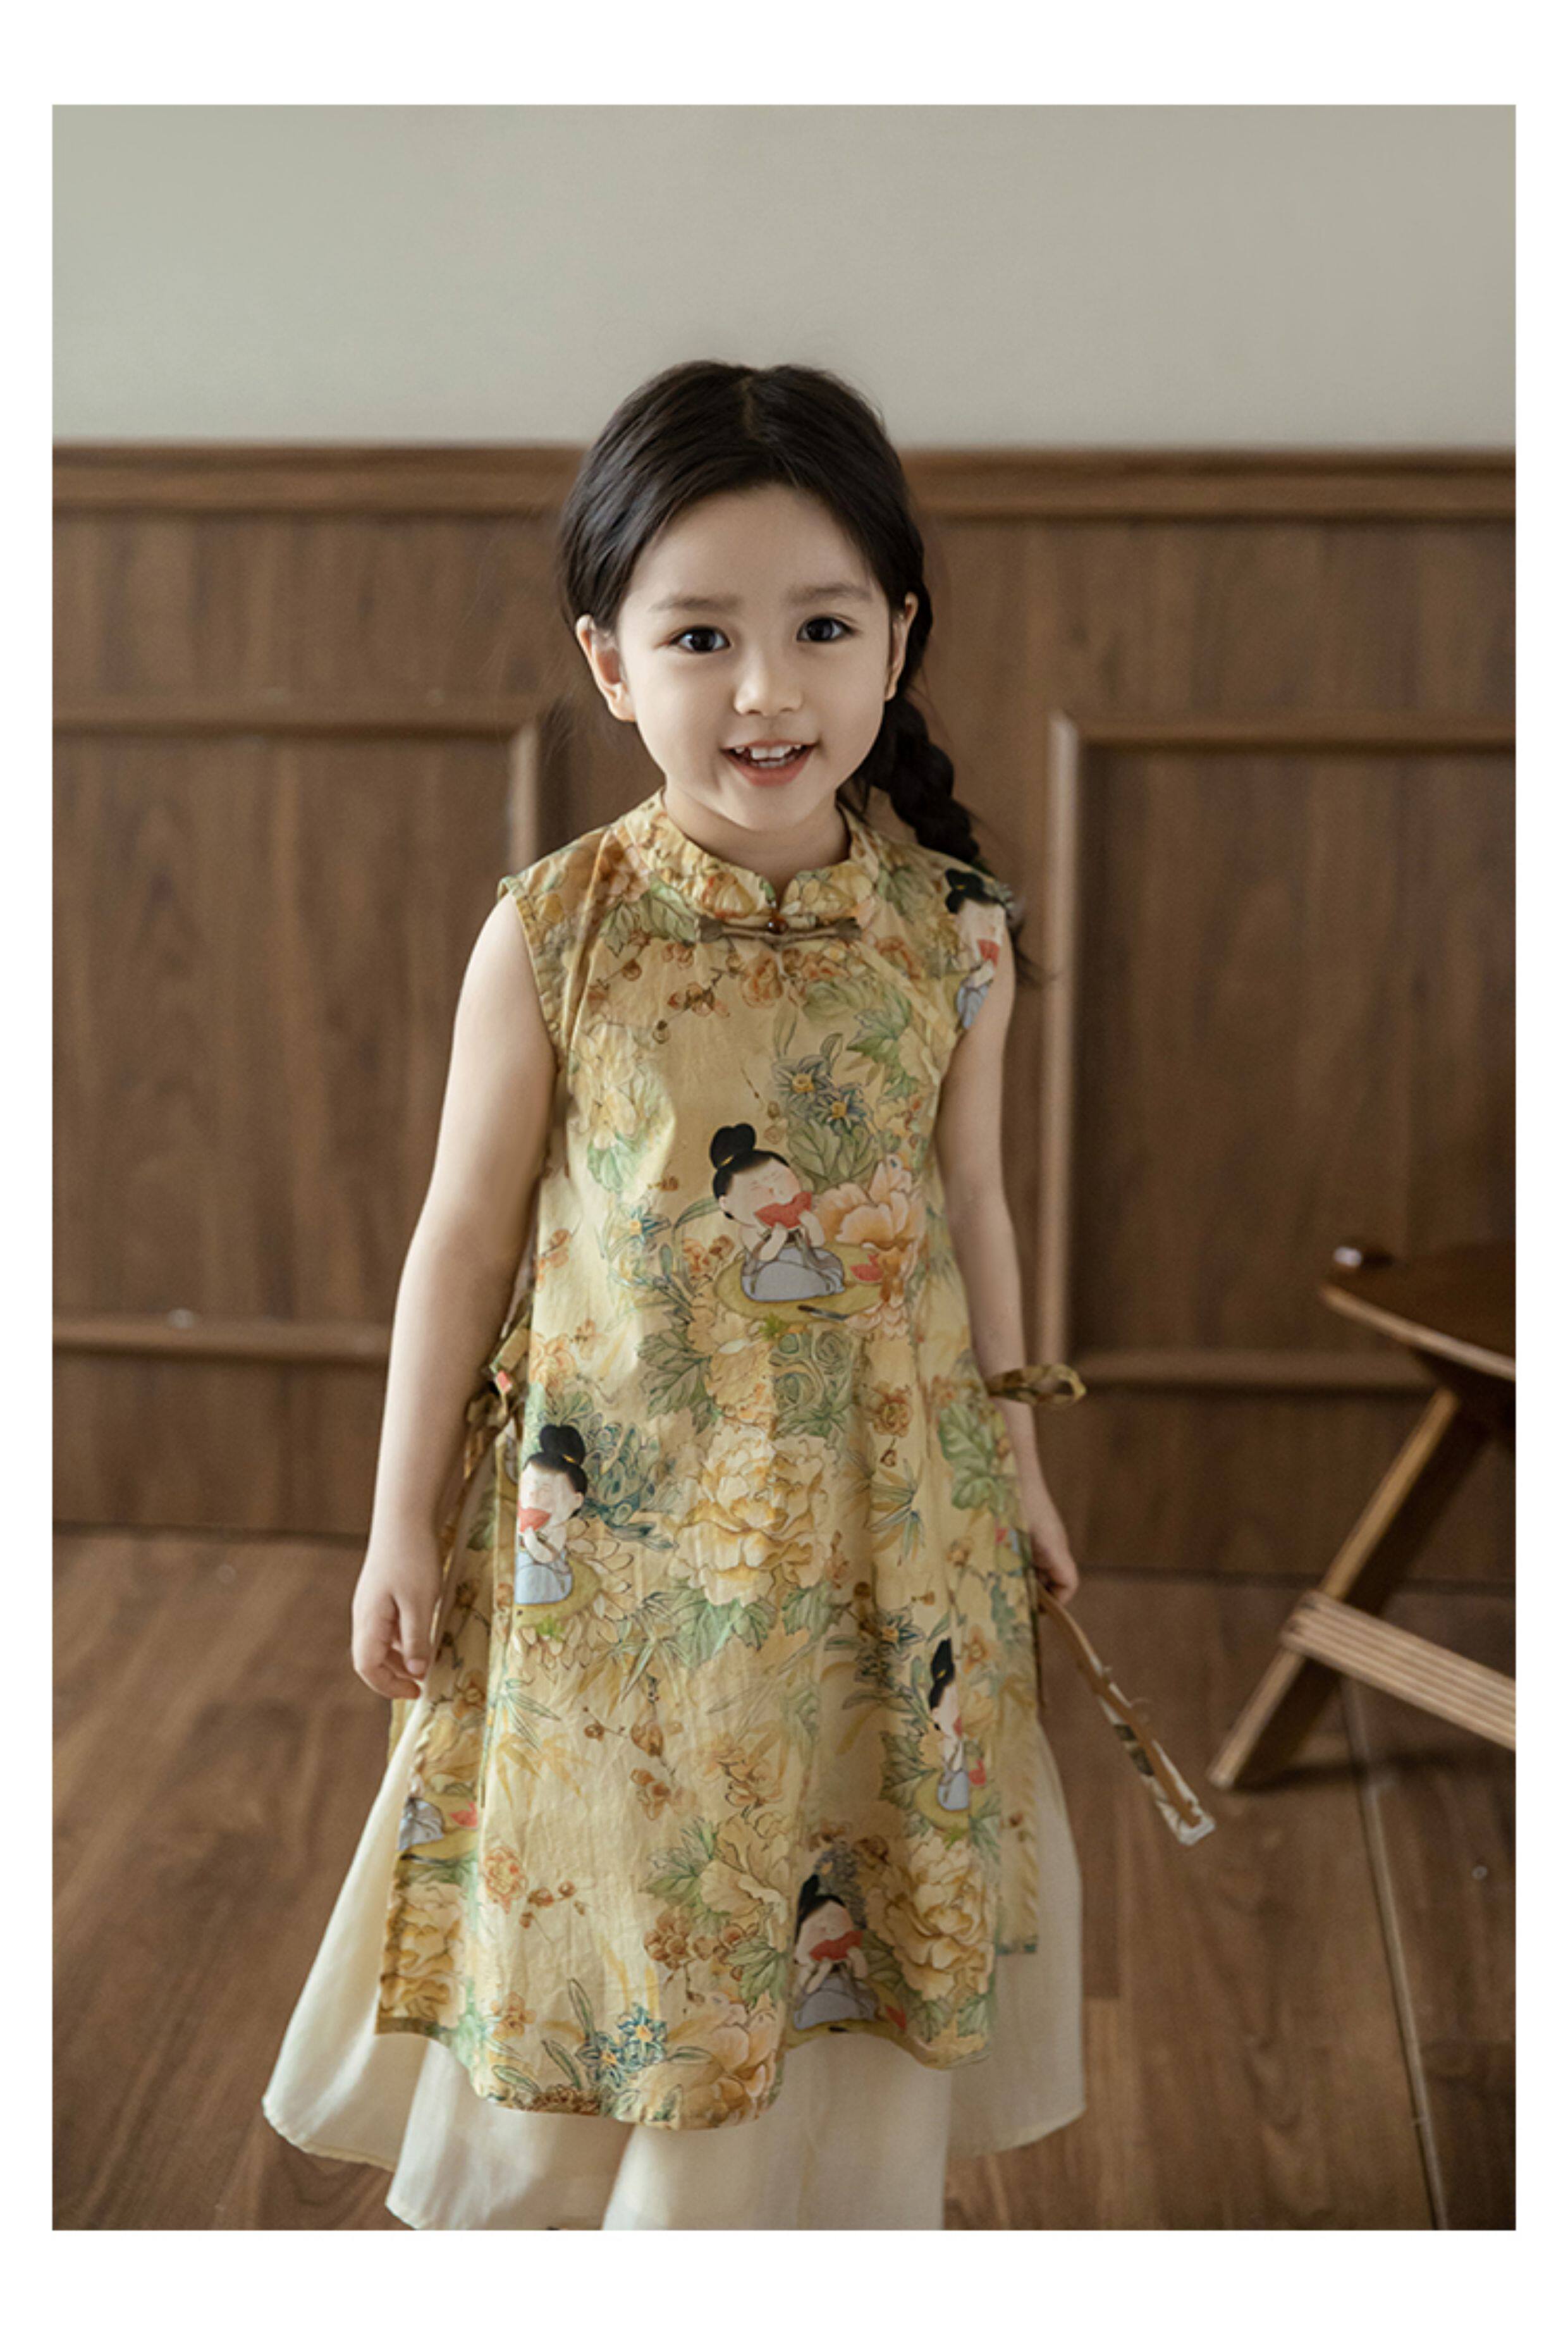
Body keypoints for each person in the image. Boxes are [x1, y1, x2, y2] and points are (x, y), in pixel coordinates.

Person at [262, 359, 1087, 2231]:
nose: (767, 690)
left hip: (887, 1525)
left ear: (899, 640)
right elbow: (460, 1238)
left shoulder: (957, 936)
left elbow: (973, 1203)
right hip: (618, 1559)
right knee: (638, 1882)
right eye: (702, 635)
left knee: (841, 1862)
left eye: (822, 628)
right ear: (613, 662)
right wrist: (397, 1520)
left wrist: (1021, 1466)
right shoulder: (555, 930)